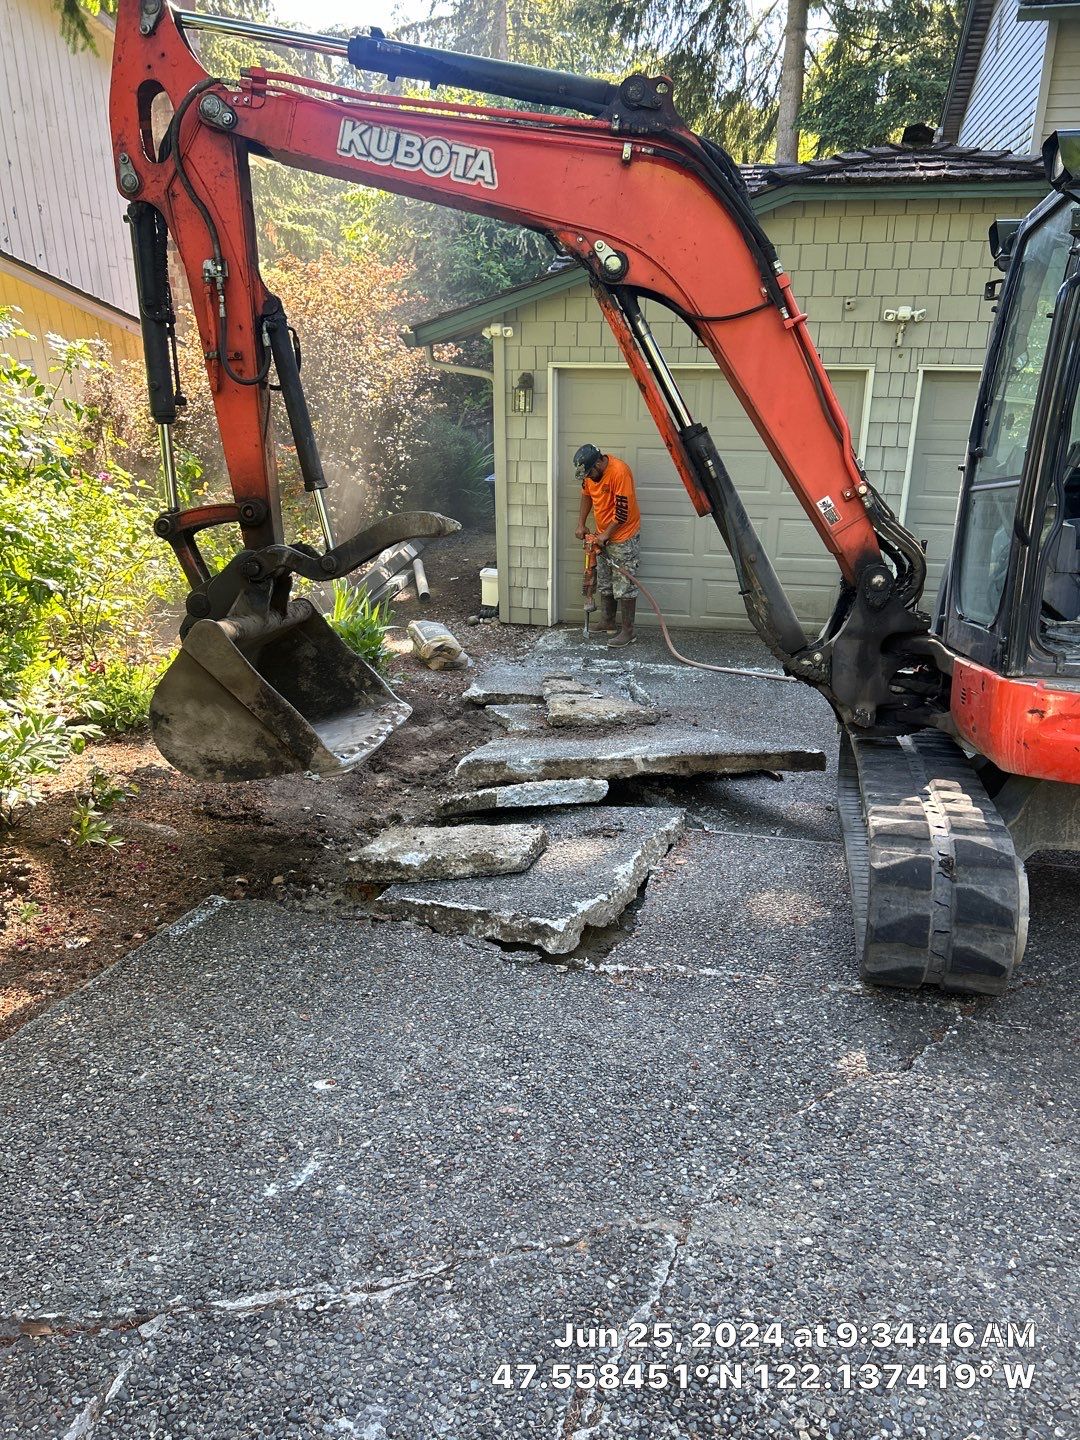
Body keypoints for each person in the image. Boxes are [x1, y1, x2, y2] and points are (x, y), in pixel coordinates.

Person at [573, 443, 641, 647]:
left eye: (590, 473)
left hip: (623, 535)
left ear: (599, 462)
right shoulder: (590, 475)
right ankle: (607, 621)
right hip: (603, 533)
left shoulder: (619, 472)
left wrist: (606, 535)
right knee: (604, 579)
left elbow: (622, 512)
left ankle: (628, 632)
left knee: (625, 585)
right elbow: (587, 496)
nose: (589, 478)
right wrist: (581, 524)